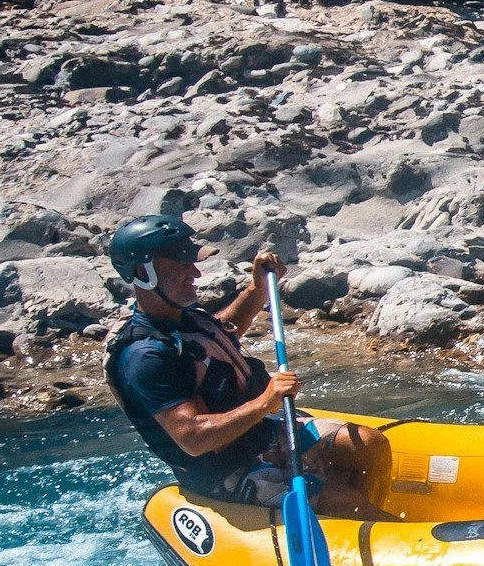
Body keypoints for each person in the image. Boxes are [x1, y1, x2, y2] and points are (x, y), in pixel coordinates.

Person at [103, 214, 392, 517]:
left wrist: (257, 290)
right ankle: (350, 513)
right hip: (223, 469)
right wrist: (265, 402)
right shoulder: (144, 356)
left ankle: (353, 518)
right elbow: (192, 438)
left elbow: (219, 336)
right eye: (181, 265)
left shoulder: (182, 319)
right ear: (141, 272)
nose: (196, 273)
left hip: (257, 435)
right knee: (345, 503)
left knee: (368, 445)